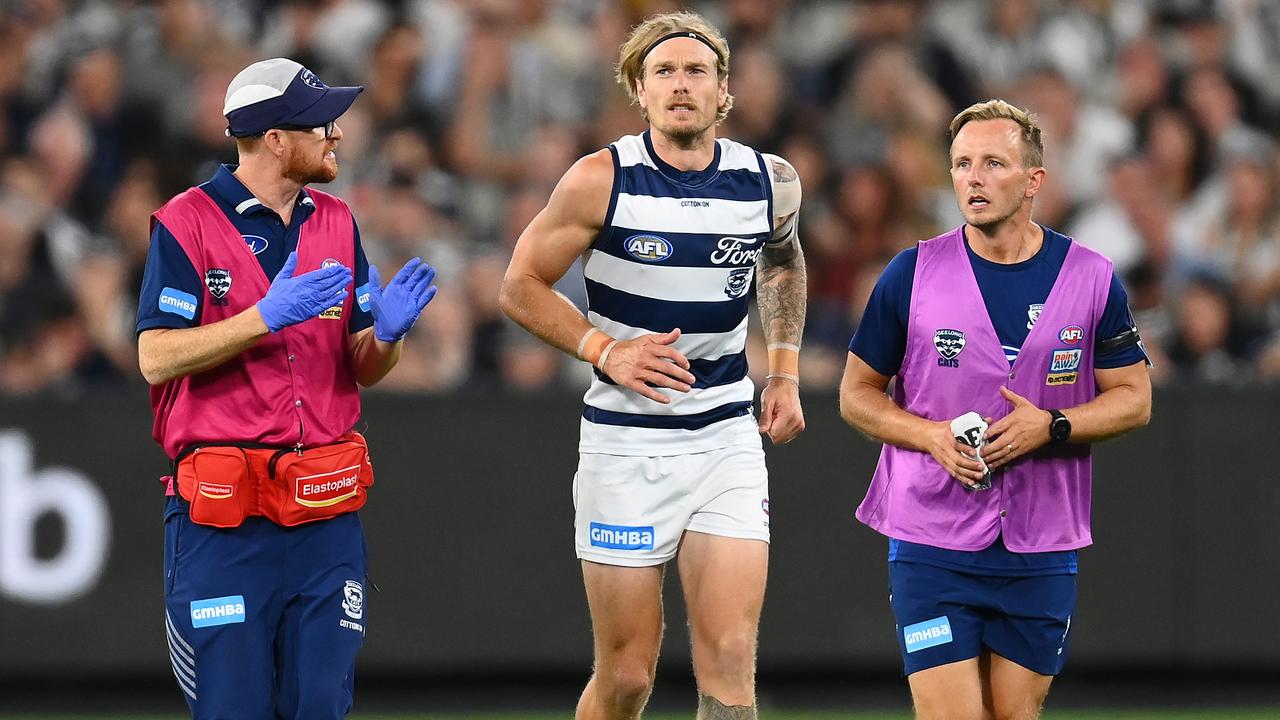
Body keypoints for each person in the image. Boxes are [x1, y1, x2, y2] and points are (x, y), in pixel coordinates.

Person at [499, 11, 806, 720]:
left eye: (696, 70)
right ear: (639, 90)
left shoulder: (770, 181)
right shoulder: (598, 180)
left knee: (729, 656)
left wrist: (783, 371)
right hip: (626, 441)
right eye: (662, 72)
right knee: (628, 675)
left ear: (723, 90)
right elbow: (518, 285)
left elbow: (784, 263)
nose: (680, 84)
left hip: (726, 436)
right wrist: (605, 350)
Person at [136, 58, 436, 720]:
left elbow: (361, 364)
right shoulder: (188, 223)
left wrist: (387, 336)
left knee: (320, 707)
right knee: (234, 709)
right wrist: (262, 318)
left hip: (324, 518)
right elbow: (155, 358)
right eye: (321, 123)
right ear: (275, 138)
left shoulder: (336, 220)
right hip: (226, 523)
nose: (337, 135)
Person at [839, 99, 1152, 720]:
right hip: (932, 539)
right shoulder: (911, 274)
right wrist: (929, 437)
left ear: (1034, 180)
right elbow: (856, 394)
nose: (973, 178)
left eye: (992, 163)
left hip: (1040, 545)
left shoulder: (1092, 279)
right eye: (960, 164)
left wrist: (1054, 425)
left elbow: (1135, 399)